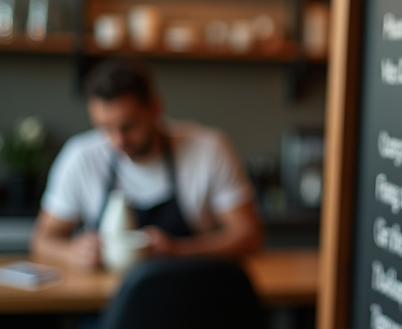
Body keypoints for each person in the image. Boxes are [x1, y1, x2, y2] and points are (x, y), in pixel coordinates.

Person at [31, 58, 263, 271]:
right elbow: (42, 240)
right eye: (105, 128)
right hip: (107, 299)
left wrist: (179, 251)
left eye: (128, 126)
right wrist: (72, 252)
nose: (118, 141)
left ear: (154, 108)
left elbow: (248, 235)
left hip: (192, 291)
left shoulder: (208, 149)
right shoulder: (80, 157)